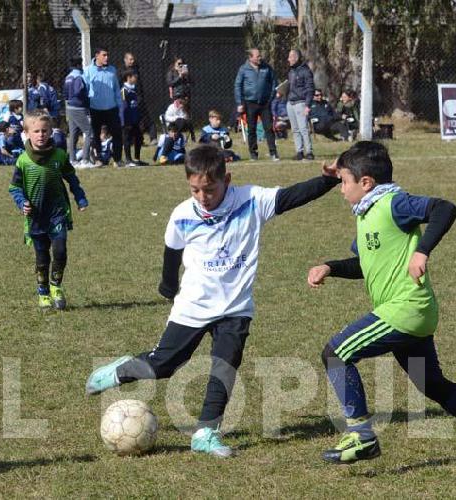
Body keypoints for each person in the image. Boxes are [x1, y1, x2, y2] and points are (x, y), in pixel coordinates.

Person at [85, 144, 341, 458]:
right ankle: (120, 371)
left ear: (227, 180)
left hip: (235, 307)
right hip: (193, 305)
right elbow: (171, 254)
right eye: (195, 190)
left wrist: (328, 180)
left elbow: (291, 197)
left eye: (210, 189)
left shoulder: (250, 201)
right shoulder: (182, 214)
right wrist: (167, 287)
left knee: (224, 366)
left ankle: (206, 432)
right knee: (164, 364)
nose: (203, 197)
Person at [308, 141, 456, 464]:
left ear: (366, 183)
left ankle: (361, 435)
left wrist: (422, 250)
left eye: (344, 181)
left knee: (335, 353)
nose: (340, 188)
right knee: (431, 383)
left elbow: (444, 208)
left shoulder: (393, 203)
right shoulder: (366, 214)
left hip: (405, 309)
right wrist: (330, 267)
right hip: (412, 314)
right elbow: (365, 265)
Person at [7, 111, 89, 310]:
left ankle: (56, 286)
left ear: (51, 131)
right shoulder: (23, 161)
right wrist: (21, 202)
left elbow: (71, 178)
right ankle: (43, 291)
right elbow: (15, 187)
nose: (41, 134)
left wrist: (80, 197)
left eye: (45, 130)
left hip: (57, 213)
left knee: (60, 251)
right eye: (36, 131)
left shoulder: (59, 156)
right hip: (35, 217)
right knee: (42, 257)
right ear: (27, 133)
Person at [234, 49, 279, 161]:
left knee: (269, 128)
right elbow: (237, 86)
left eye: (260, 56)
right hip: (250, 103)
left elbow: (274, 82)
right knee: (252, 129)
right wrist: (239, 103)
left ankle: (273, 153)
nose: (260, 58)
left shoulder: (267, 67)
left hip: (265, 103)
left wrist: (271, 97)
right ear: (250, 57)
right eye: (257, 56)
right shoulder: (243, 69)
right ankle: (253, 153)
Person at [83, 48, 124, 166]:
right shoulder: (88, 71)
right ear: (97, 56)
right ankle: (98, 159)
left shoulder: (112, 70)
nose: (107, 57)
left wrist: (119, 105)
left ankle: (117, 159)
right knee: (96, 135)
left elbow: (116, 88)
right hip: (95, 109)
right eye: (104, 55)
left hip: (111, 108)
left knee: (117, 134)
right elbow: (85, 88)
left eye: (107, 55)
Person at [285, 49, 315, 160]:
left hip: (301, 103)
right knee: (295, 129)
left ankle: (309, 152)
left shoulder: (305, 71)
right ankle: (299, 151)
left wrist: (307, 105)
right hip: (291, 103)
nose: (288, 59)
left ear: (296, 58)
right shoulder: (291, 71)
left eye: (290, 57)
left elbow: (310, 88)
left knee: (303, 128)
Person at [63, 57, 93, 167]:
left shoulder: (68, 77)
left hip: (70, 107)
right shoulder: (79, 77)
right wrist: (86, 98)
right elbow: (79, 91)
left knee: (73, 133)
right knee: (89, 132)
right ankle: (85, 160)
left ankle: (72, 159)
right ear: (79, 64)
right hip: (79, 107)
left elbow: (65, 94)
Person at [119, 70, 146, 167]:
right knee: (127, 139)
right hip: (127, 121)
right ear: (128, 78)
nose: (136, 78)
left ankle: (137, 159)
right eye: (134, 76)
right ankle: (128, 160)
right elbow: (123, 107)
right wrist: (124, 121)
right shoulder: (124, 90)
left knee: (138, 138)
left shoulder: (133, 89)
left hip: (135, 120)